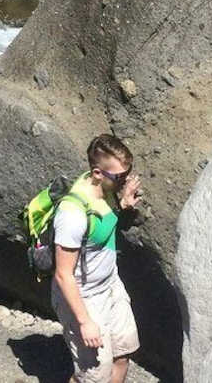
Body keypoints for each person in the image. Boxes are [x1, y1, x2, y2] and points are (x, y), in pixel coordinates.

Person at [52, 134, 143, 383]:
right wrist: (85, 322)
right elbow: (63, 274)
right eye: (119, 177)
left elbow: (99, 229)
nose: (124, 181)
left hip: (110, 287)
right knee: (92, 377)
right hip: (85, 298)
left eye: (127, 174)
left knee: (122, 356)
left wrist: (122, 205)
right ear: (97, 172)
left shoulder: (102, 190)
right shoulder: (72, 215)